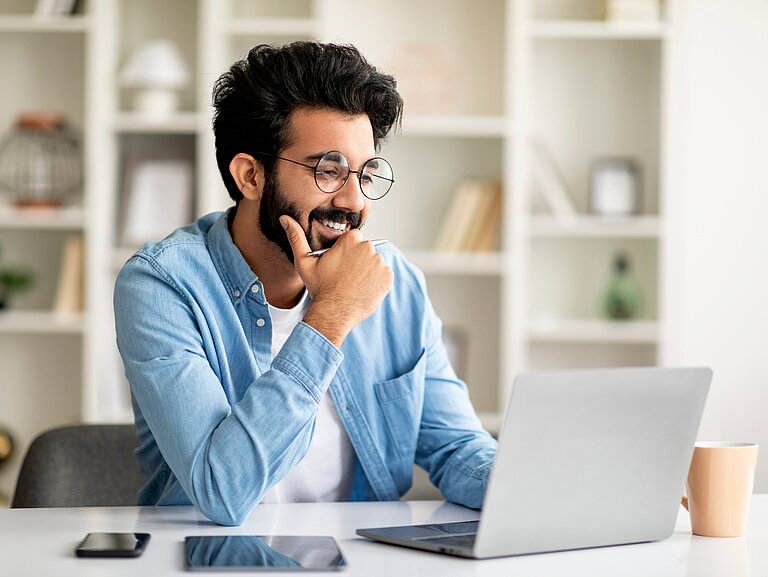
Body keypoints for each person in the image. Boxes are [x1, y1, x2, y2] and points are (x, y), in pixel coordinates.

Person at [114, 41, 497, 526]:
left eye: (365, 173)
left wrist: (530, 485)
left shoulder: (395, 283)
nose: (354, 201)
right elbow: (221, 490)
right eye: (328, 171)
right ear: (251, 175)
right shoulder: (162, 284)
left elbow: (456, 447)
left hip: (364, 556)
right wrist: (331, 315)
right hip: (212, 554)